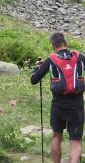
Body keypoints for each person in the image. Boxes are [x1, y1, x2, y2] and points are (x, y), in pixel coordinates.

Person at [31, 32, 85, 163]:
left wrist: (37, 68)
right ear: (66, 43)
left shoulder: (51, 60)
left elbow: (34, 80)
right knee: (76, 140)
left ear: (53, 45)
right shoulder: (80, 57)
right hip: (77, 104)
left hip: (58, 104)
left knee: (57, 137)